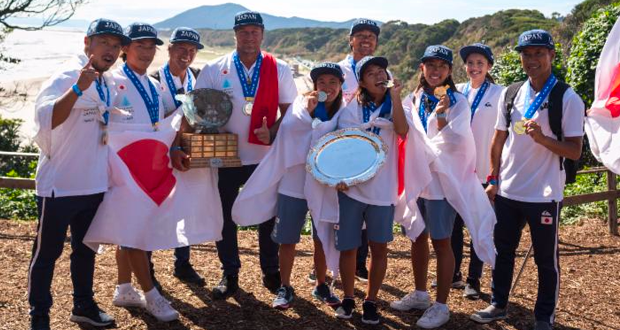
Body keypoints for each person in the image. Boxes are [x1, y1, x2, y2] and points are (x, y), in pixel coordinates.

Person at [470, 30, 584, 330]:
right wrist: (493, 178)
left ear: (551, 56)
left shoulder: (566, 97)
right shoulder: (512, 92)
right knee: (502, 252)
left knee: (546, 261)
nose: (532, 59)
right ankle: (497, 304)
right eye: (526, 54)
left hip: (544, 193)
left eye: (539, 53)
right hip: (508, 190)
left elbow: (574, 151)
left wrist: (543, 139)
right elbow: (498, 140)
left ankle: (544, 317)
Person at [190, 10, 298, 299]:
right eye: (243, 31)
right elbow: (196, 109)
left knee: (267, 215)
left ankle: (271, 271)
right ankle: (230, 271)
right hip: (226, 155)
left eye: (254, 31)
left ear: (262, 34)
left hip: (265, 156)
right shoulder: (215, 67)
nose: (249, 36)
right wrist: (208, 127)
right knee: (224, 216)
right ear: (235, 35)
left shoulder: (280, 68)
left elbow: (291, 113)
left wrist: (273, 132)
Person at [28, 18, 127, 330]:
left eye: (115, 45)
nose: (110, 50)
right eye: (104, 43)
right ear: (87, 43)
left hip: (93, 183)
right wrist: (76, 89)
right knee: (47, 254)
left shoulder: (106, 81)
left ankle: (83, 305)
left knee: (86, 252)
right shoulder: (67, 75)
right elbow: (47, 118)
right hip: (60, 185)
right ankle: (39, 314)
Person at [231, 62, 345, 309]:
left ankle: (322, 285)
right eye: (322, 82)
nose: (327, 87)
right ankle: (285, 285)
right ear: (314, 85)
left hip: (325, 184)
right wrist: (309, 115)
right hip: (293, 183)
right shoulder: (300, 106)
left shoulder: (344, 112)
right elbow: (288, 133)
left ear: (340, 86)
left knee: (321, 237)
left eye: (333, 82)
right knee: (287, 238)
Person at [391, 45, 484, 329]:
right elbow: (403, 131)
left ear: (449, 71)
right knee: (416, 236)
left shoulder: (458, 101)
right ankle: (420, 294)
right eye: (430, 65)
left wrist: (441, 117)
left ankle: (441, 305)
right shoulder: (413, 97)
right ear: (421, 69)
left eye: (441, 66)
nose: (435, 71)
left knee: (441, 241)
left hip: (441, 184)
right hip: (417, 180)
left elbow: (457, 142)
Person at [108, 22, 179, 322]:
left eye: (152, 46)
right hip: (120, 168)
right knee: (134, 233)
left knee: (130, 230)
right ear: (125, 48)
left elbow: (166, 120)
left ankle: (124, 288)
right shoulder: (112, 80)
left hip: (146, 169)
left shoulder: (153, 85)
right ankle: (152, 295)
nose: (148, 52)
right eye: (140, 45)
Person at [334, 56, 408, 325]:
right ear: (362, 81)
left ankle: (371, 300)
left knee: (379, 248)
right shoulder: (350, 109)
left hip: (383, 190)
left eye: (381, 71)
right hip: (352, 189)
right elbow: (341, 146)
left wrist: (396, 97)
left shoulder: (394, 106)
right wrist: (339, 177)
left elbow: (402, 131)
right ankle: (348, 297)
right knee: (349, 248)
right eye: (371, 73)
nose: (378, 75)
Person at [148, 26, 205, 286]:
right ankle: (146, 267)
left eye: (192, 50)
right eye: (181, 48)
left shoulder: (196, 77)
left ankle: (182, 264)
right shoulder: (153, 79)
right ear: (169, 49)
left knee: (186, 209)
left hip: (187, 153)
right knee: (152, 210)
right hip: (158, 155)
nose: (186, 54)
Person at [446, 43, 504, 299]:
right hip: (459, 171)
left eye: (480, 63)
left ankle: (474, 280)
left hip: (483, 172)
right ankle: (454, 274)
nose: (474, 67)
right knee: (454, 226)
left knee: (480, 227)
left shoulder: (500, 94)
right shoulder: (456, 91)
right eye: (470, 63)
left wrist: (497, 174)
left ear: (489, 66)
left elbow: (505, 136)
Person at [331, 18, 381, 283]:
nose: (365, 40)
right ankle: (328, 264)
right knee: (334, 205)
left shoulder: (382, 73)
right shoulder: (338, 70)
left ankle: (359, 264)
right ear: (350, 40)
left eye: (371, 37)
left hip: (368, 149)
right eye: (360, 35)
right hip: (337, 146)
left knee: (362, 203)